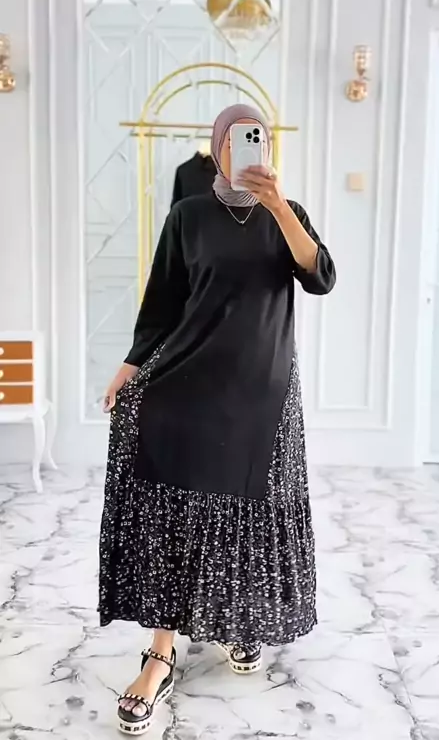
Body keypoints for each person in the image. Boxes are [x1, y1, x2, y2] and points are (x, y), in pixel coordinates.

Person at [99, 103, 336, 735]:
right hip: (191, 379)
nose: (247, 149)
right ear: (217, 148)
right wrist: (130, 365)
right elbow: (163, 301)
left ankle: (243, 620)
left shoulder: (287, 214)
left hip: (262, 391)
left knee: (252, 507)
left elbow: (320, 277)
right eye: (236, 140)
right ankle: (160, 654)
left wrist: (279, 206)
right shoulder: (188, 215)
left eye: (257, 139)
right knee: (178, 505)